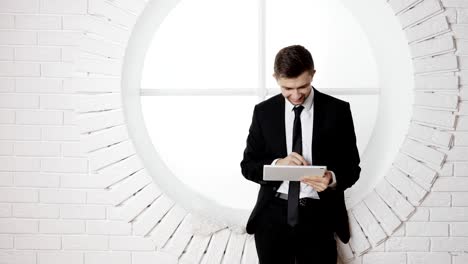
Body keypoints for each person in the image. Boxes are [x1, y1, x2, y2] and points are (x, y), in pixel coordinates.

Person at [240, 45, 361, 264]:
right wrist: (278, 165)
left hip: (319, 216)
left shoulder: (338, 111)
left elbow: (352, 167)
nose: (296, 95)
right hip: (271, 217)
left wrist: (331, 178)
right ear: (276, 78)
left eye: (303, 86)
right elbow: (248, 165)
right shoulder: (263, 112)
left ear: (313, 74)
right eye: (287, 88)